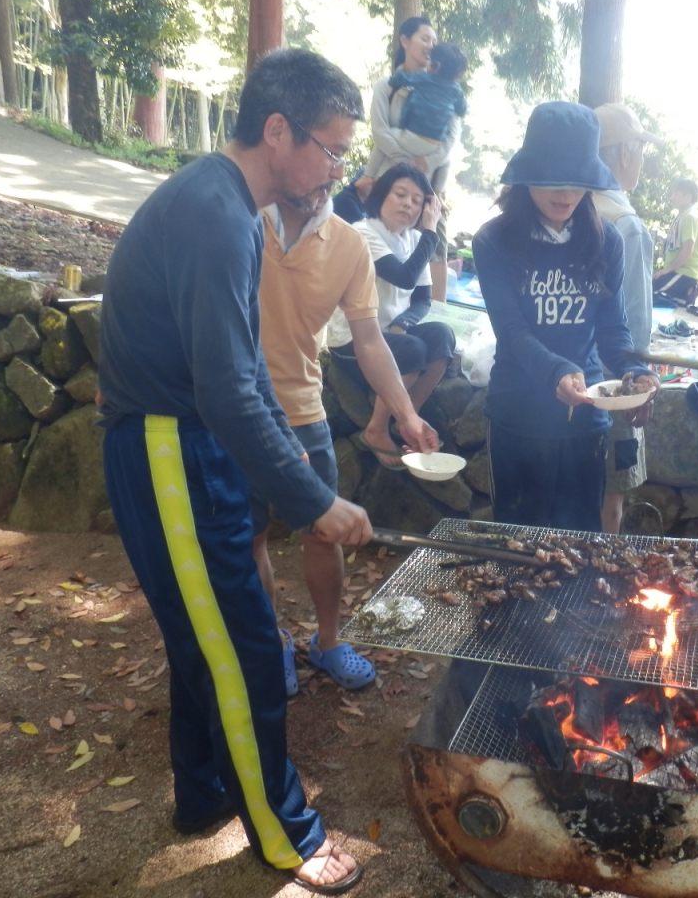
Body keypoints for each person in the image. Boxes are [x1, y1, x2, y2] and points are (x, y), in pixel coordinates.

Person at [98, 49, 372, 894]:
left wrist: (294, 469)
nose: (337, 170)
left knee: (203, 635)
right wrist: (314, 502)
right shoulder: (216, 213)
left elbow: (242, 365)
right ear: (278, 130)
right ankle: (289, 836)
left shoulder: (231, 207)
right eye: (330, 149)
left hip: (185, 443)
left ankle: (204, 790)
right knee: (245, 648)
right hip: (165, 447)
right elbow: (222, 385)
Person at [255, 186, 438, 693]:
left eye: (340, 157)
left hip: (303, 408)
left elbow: (371, 339)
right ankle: (272, 640)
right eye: (329, 151)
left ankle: (329, 641)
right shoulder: (246, 220)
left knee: (323, 531)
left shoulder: (347, 243)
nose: (335, 171)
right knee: (251, 535)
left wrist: (406, 415)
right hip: (238, 410)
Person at [473, 102, 658, 531]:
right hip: (517, 416)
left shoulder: (607, 240)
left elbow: (613, 330)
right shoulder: (494, 241)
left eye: (577, 181)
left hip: (586, 421)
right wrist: (556, 368)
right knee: (517, 547)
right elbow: (512, 331)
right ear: (526, 176)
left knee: (577, 547)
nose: (566, 194)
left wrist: (635, 371)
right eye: (552, 179)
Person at [329, 164, 455, 470]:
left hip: (390, 334)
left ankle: (408, 417)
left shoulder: (413, 240)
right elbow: (404, 277)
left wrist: (403, 324)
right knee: (412, 351)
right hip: (353, 340)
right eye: (400, 194)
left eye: (417, 199)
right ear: (382, 195)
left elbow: (424, 298)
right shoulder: (363, 232)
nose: (408, 204)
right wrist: (430, 231)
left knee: (442, 336)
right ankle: (376, 429)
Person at [592, 102, 662, 533]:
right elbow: (632, 325)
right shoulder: (625, 223)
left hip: (569, 385)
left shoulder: (573, 207)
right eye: (641, 149)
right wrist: (640, 381)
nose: (641, 159)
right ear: (623, 152)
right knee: (609, 501)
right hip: (614, 386)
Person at [366, 16, 456, 299]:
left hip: (429, 186)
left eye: (434, 40)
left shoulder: (446, 86)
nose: (430, 45)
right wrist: (408, 161)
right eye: (424, 38)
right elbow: (380, 131)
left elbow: (451, 139)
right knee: (385, 246)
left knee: (435, 246)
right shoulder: (388, 85)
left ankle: (437, 318)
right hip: (388, 183)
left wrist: (427, 165)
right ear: (405, 41)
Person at [388, 41, 468, 149]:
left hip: (410, 138)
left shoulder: (424, 78)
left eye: (429, 58)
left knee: (386, 136)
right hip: (434, 145)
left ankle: (370, 167)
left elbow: (396, 80)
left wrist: (401, 68)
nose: (426, 61)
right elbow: (462, 110)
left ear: (436, 65)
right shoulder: (456, 90)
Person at [652, 178, 698, 308]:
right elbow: (677, 245)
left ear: (687, 197)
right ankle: (681, 293)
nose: (671, 197)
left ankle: (687, 293)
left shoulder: (690, 217)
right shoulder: (682, 216)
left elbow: (687, 250)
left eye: (675, 194)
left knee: (649, 294)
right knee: (646, 288)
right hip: (675, 271)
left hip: (684, 273)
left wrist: (666, 270)